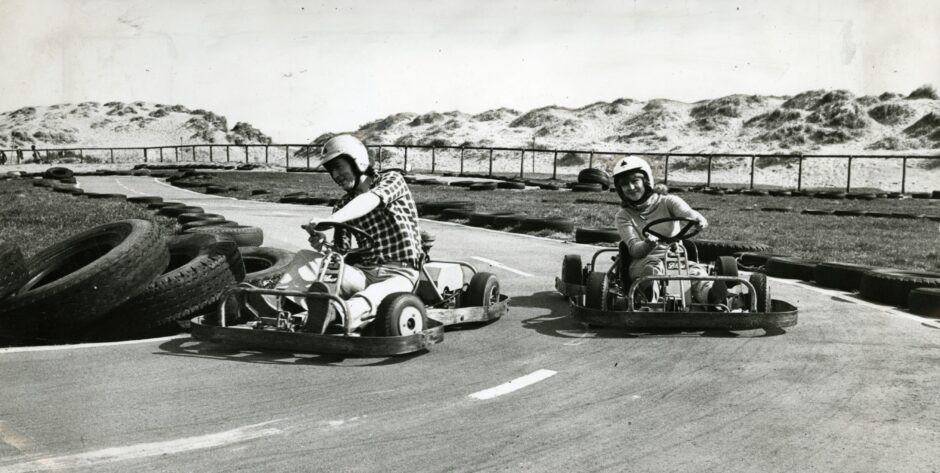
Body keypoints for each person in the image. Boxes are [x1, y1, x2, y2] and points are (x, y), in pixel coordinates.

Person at [274, 134, 424, 334]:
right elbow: (340, 253)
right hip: (364, 273)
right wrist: (323, 245)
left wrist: (335, 219)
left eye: (338, 167)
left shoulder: (392, 180)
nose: (335, 175)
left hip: (400, 273)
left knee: (371, 295)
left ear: (357, 161)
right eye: (331, 170)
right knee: (306, 258)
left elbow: (370, 200)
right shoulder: (343, 204)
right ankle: (276, 306)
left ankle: (335, 315)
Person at [612, 156, 726, 306]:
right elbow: (634, 249)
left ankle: (712, 297)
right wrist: (648, 244)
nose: (631, 188)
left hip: (676, 259)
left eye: (635, 181)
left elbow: (688, 213)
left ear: (646, 181)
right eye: (625, 185)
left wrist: (698, 219)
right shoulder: (623, 216)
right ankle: (647, 297)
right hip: (643, 262)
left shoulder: (668, 201)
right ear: (620, 190)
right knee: (654, 268)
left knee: (696, 272)